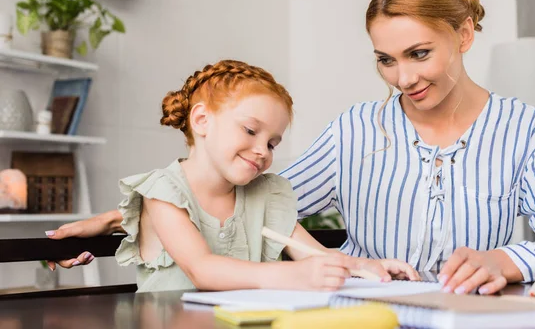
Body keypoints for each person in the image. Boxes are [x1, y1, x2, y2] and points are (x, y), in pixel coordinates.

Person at [48, 0, 535, 296]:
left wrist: (506, 261)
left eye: (419, 54)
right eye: (386, 59)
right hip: (364, 317)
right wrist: (128, 216)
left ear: (464, 34)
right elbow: (248, 198)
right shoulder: (356, 131)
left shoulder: (524, 130)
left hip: (476, 317)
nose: (403, 78)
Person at [54, 59, 418, 293]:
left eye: (273, 143)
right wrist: (288, 278)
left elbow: (312, 254)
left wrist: (368, 267)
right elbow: (203, 270)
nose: (263, 150)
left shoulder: (266, 194)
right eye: (250, 131)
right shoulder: (163, 192)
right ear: (201, 121)